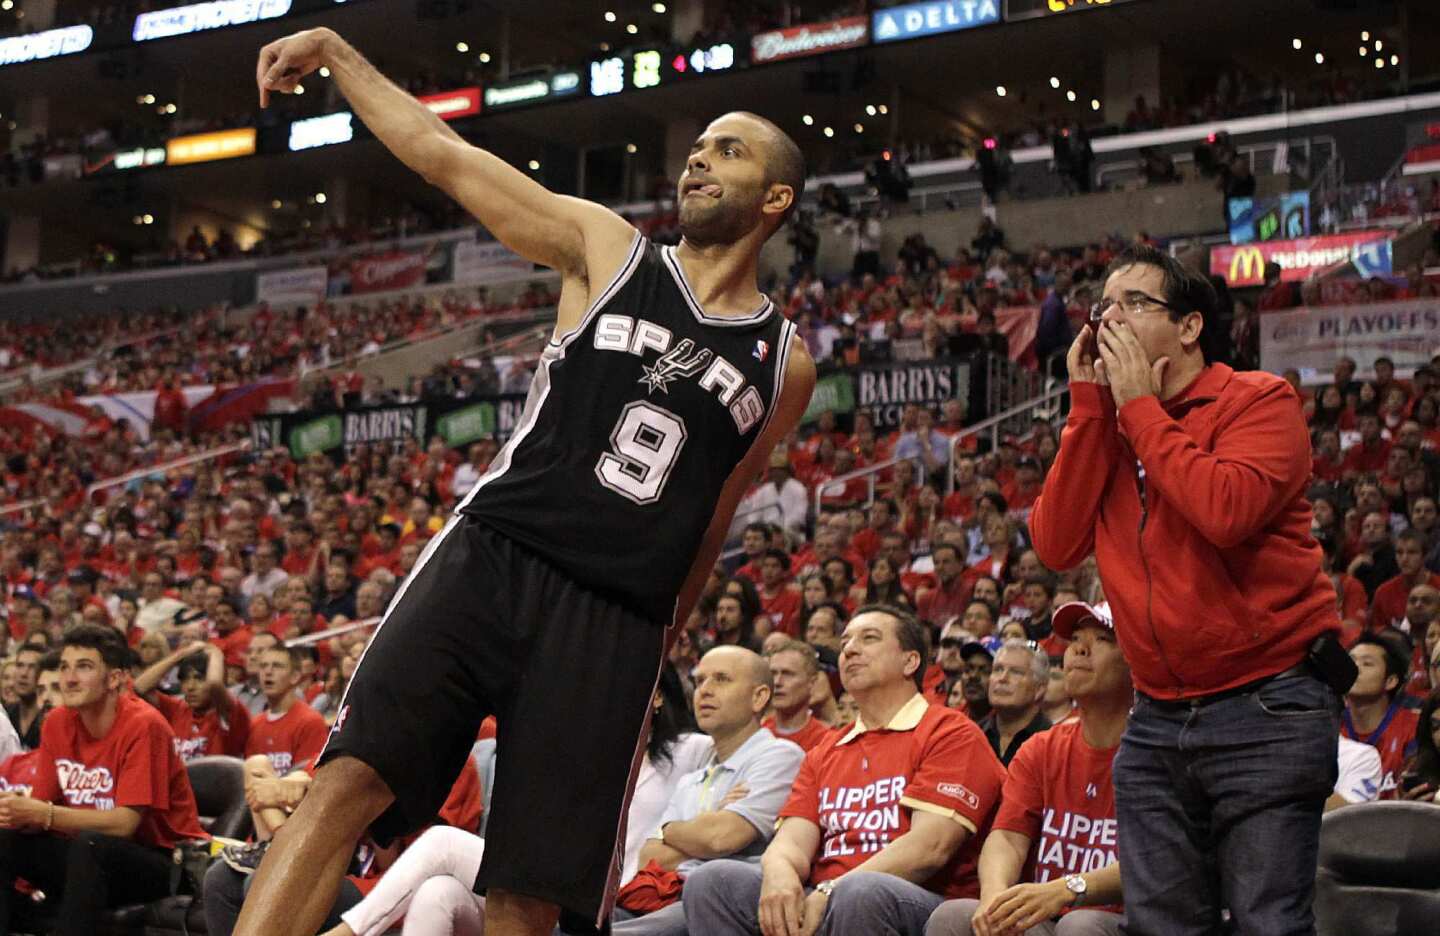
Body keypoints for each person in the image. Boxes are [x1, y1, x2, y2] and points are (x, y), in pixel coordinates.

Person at [245, 27, 815, 936]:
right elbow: (446, 157)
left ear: (775, 197)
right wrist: (340, 54)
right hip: (496, 554)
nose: (700, 160)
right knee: (346, 782)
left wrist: (661, 629)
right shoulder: (608, 247)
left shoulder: (785, 364)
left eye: (729, 150)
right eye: (698, 147)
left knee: (530, 885)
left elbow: (714, 515)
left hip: (615, 619)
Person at [1029, 244, 1347, 936]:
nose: (1107, 318)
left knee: (1267, 922)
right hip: (1159, 719)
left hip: (1267, 704)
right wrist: (1090, 411)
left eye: (1132, 303)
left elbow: (1225, 512)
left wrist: (1140, 410)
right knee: (1162, 924)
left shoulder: (1259, 400)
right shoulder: (1106, 427)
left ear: (1191, 326)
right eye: (1102, 305)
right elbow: (1054, 544)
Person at [682, 605, 1007, 935]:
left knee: (862, 892)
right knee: (713, 881)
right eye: (846, 640)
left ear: (910, 661)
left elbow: (930, 848)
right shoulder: (828, 748)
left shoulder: (949, 731)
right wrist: (780, 874)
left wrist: (830, 890)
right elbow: (791, 841)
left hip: (916, 898)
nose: (850, 648)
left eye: (869, 638)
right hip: (826, 896)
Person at [926, 601, 1129, 936]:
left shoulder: (1158, 754)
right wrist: (995, 898)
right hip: (1045, 911)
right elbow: (1006, 838)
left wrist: (1067, 888)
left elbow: (1158, 864)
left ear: (1136, 660)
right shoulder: (1042, 748)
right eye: (1076, 638)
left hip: (1120, 916)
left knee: (1081, 925)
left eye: (1102, 640)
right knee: (954, 916)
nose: (1078, 648)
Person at [0, 624, 207, 935]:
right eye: (64, 667)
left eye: (84, 667)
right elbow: (42, 807)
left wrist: (43, 814)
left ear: (114, 678)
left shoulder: (144, 724)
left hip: (163, 862)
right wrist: (14, 811)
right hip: (90, 860)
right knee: (5, 839)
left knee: (91, 842)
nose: (68, 678)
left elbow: (125, 824)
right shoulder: (57, 722)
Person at [616, 646, 804, 934]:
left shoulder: (780, 756)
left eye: (721, 679)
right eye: (700, 680)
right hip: (664, 897)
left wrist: (670, 830)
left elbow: (722, 838)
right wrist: (705, 828)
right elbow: (650, 857)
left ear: (759, 697)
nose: (704, 690)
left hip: (727, 902)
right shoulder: (691, 778)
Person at [136, 641, 251, 762]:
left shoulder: (228, 713)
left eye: (199, 679)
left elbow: (215, 684)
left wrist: (215, 652)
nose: (190, 687)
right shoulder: (178, 709)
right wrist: (182, 654)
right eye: (185, 679)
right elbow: (140, 687)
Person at [1341, 634, 1420, 800]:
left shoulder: (1414, 728)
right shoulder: (1327, 726)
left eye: (1367, 663)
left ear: (1390, 681)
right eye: (1351, 661)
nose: (1354, 667)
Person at [983, 640, 1052, 766]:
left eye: (1016, 672)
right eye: (998, 669)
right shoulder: (973, 734)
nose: (1002, 678)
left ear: (1039, 689)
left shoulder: (1053, 744)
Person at [761, 640, 835, 752]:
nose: (777, 682)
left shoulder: (827, 740)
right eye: (773, 673)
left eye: (788, 674)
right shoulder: (756, 735)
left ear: (812, 682)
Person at [3, 643, 45, 750]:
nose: (24, 673)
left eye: (32, 667)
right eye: (20, 665)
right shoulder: (5, 715)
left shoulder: (48, 717)